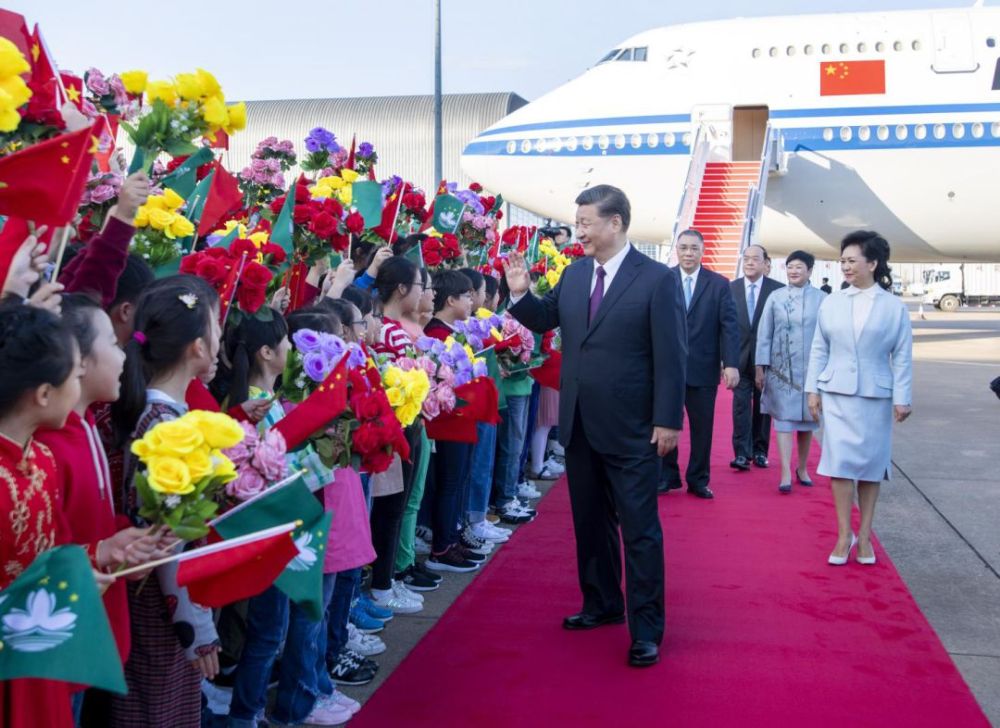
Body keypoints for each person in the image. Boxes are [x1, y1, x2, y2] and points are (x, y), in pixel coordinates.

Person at [504, 184, 686, 668]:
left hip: (634, 428)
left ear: (616, 223)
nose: (578, 231)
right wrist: (520, 292)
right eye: (578, 222)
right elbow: (546, 318)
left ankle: (646, 629)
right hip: (580, 423)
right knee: (589, 523)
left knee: (639, 531)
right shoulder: (576, 272)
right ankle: (602, 602)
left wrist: (668, 420)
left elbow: (672, 355)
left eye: (585, 223)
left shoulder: (657, 279)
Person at [110, 275, 223, 728]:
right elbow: (169, 541)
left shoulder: (163, 412)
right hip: (162, 606)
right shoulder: (165, 425)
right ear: (197, 346)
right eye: (216, 324)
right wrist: (197, 628)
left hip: (159, 601)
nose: (221, 334)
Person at [0, 303, 84, 728]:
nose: (80, 382)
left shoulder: (43, 459)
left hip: (38, 657)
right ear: (44, 394)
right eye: (75, 374)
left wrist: (104, 556)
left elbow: (54, 553)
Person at [806, 231, 913, 566]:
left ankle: (864, 536)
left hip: (875, 396)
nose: (846, 267)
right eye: (843, 261)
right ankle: (844, 535)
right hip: (836, 393)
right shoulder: (832, 302)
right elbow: (819, 348)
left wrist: (902, 397)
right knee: (839, 465)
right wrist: (812, 389)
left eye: (852, 260)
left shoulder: (893, 307)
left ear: (873, 263)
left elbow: (902, 356)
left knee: (870, 467)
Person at [660, 229, 740, 499]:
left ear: (702, 251)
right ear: (677, 250)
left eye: (694, 248)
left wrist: (731, 363)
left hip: (703, 367)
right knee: (665, 422)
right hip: (667, 369)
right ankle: (667, 476)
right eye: (683, 248)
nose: (688, 253)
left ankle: (698, 479)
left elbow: (729, 326)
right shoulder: (663, 279)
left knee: (702, 429)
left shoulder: (719, 284)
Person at [755, 251, 827, 493]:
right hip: (782, 370)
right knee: (783, 421)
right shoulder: (776, 297)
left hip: (811, 370)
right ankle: (785, 471)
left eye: (799, 267)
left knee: (808, 421)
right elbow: (764, 334)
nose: (794, 271)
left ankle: (802, 468)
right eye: (790, 267)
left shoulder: (822, 299)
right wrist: (760, 366)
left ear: (810, 271)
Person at [729, 244, 783, 471]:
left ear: (766, 263)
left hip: (767, 361)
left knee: (763, 407)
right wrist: (725, 360)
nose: (750, 262)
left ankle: (760, 451)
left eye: (755, 258)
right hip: (738, 358)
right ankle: (742, 453)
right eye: (746, 258)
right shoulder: (730, 288)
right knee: (740, 406)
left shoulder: (777, 290)